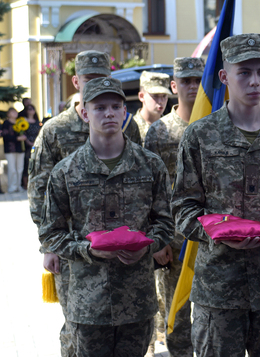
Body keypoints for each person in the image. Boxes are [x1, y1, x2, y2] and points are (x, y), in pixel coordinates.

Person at [172, 34, 260, 357]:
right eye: (244, 72)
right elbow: (183, 209)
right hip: (219, 290)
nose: (255, 81)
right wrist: (219, 234)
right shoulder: (200, 135)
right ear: (224, 77)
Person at [38, 77, 174, 357]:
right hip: (88, 304)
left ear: (125, 112)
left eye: (115, 106)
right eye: (100, 107)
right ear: (85, 113)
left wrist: (147, 247)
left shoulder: (150, 166)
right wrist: (87, 250)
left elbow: (165, 223)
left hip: (136, 300)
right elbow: (52, 234)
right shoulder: (66, 171)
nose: (109, 113)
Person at [28, 50, 143, 357]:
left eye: (102, 79)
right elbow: (39, 189)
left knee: (127, 320)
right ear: (76, 81)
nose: (95, 85)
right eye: (89, 80)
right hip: (75, 247)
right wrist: (48, 246)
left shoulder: (126, 125)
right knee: (77, 325)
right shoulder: (54, 130)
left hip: (123, 243)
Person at [144, 56, 204, 357]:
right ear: (174, 85)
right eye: (186, 81)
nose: (192, 87)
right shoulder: (160, 132)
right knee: (176, 317)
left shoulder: (216, 123)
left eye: (198, 80)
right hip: (174, 241)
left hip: (210, 239)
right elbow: (149, 192)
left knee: (210, 318)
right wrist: (158, 240)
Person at [134, 71, 172, 144]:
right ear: (141, 96)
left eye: (164, 96)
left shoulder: (171, 127)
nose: (161, 101)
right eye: (155, 96)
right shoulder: (132, 127)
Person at [1, 107, 26, 193]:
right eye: (12, 112)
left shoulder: (21, 121)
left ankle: (19, 186)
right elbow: (5, 136)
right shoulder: (6, 123)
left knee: (20, 168)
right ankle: (12, 187)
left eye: (15, 112)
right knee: (12, 169)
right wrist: (17, 138)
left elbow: (25, 131)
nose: (15, 113)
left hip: (20, 148)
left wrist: (23, 137)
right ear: (8, 114)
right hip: (10, 149)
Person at [21, 104, 42, 189]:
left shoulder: (37, 121)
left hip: (36, 144)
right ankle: (25, 185)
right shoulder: (23, 121)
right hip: (27, 146)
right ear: (26, 111)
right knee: (27, 164)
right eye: (29, 109)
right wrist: (29, 142)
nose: (31, 110)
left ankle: (34, 184)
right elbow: (22, 133)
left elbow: (40, 132)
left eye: (33, 109)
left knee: (36, 164)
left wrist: (36, 142)